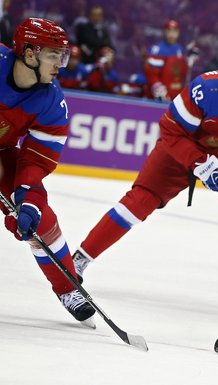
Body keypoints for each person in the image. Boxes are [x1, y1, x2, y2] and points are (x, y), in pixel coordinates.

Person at [71, 49, 218, 317]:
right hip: (184, 150)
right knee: (139, 200)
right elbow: (171, 131)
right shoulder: (205, 88)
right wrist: (200, 162)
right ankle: (79, 260)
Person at [0, 18, 95, 327]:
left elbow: (36, 160)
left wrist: (27, 200)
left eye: (61, 55)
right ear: (29, 54)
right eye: (53, 54)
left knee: (41, 220)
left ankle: (69, 288)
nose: (60, 63)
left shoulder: (52, 101)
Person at [144, 20, 198, 102]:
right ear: (165, 32)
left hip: (176, 96)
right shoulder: (156, 50)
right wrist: (157, 86)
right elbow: (150, 73)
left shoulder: (179, 49)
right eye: (169, 31)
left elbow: (181, 73)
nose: (172, 35)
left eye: (175, 32)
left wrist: (189, 61)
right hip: (160, 98)